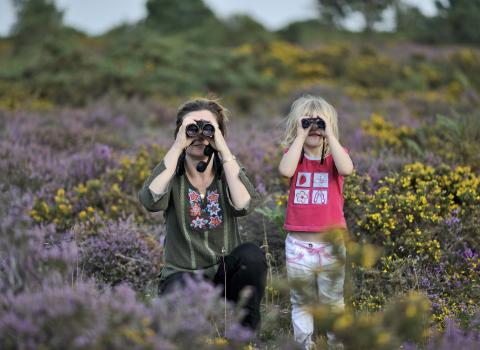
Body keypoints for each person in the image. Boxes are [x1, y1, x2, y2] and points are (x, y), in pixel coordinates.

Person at [138, 98, 266, 331]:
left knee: (252, 255)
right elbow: (150, 200)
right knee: (172, 326)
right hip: (183, 276)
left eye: (208, 129)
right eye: (191, 129)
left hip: (225, 274)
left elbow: (244, 204)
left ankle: (246, 336)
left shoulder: (226, 169)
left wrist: (224, 151)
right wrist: (177, 147)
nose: (200, 135)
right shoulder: (171, 173)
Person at [278, 95, 354, 349]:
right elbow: (285, 171)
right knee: (301, 302)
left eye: (319, 123)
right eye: (307, 123)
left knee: (333, 302)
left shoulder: (336, 157)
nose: (313, 128)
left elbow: (347, 170)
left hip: (330, 244)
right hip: (298, 245)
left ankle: (336, 344)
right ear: (296, 126)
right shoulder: (294, 157)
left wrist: (330, 136)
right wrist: (300, 137)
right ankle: (305, 345)